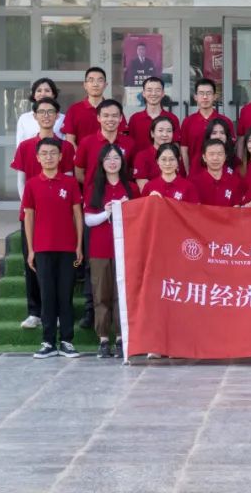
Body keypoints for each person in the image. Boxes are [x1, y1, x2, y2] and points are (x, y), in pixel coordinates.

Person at [11, 98, 75, 331]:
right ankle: (34, 312)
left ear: (57, 117)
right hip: (31, 212)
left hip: (58, 214)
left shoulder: (65, 147)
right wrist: (29, 206)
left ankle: (57, 313)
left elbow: (69, 179)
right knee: (32, 263)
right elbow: (21, 181)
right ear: (35, 116)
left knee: (59, 267)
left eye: (51, 112)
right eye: (41, 112)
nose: (46, 116)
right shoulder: (25, 146)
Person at [21, 138, 83, 359]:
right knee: (47, 296)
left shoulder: (70, 183)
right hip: (42, 249)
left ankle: (67, 341)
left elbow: (78, 215)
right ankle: (48, 342)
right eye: (44, 153)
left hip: (67, 249)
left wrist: (79, 245)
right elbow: (29, 217)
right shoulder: (32, 184)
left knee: (65, 295)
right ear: (38, 158)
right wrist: (31, 249)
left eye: (53, 153)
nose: (49, 157)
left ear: (61, 156)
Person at [83, 145, 138, 359]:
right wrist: (106, 213)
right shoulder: (94, 188)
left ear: (122, 162)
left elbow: (139, 216)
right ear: (101, 163)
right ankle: (103, 338)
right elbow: (89, 220)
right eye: (108, 158)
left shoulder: (131, 187)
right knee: (101, 294)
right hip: (100, 249)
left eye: (116, 158)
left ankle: (121, 338)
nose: (113, 162)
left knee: (121, 294)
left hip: (125, 249)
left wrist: (126, 208)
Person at [74, 100, 134, 187]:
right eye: (106, 116)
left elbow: (131, 171)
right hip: (93, 194)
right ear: (98, 118)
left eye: (114, 116)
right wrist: (93, 187)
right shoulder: (86, 142)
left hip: (121, 193)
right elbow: (79, 173)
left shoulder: (129, 143)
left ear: (121, 118)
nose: (110, 119)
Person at [180, 78, 232, 173]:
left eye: (208, 93)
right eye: (201, 93)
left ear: (215, 96)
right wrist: (188, 172)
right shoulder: (187, 122)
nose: (205, 97)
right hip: (194, 173)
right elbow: (184, 150)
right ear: (195, 97)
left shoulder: (225, 121)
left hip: (220, 174)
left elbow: (230, 149)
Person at [131, 115, 183, 191]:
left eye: (169, 131)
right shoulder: (142, 156)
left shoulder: (176, 155)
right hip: (153, 197)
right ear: (152, 133)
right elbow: (144, 188)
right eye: (160, 130)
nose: (165, 134)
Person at [127, 77, 179, 151]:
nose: (153, 94)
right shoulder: (135, 119)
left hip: (164, 158)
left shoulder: (172, 118)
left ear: (163, 93)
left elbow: (176, 144)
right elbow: (130, 144)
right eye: (149, 90)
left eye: (157, 90)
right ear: (143, 93)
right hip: (140, 158)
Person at [189, 139, 245, 207]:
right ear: (204, 157)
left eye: (220, 154)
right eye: (211, 154)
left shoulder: (235, 182)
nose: (215, 158)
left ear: (225, 157)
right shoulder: (194, 183)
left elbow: (238, 208)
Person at [63, 66, 109, 148]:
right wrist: (80, 155)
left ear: (105, 85)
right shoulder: (74, 110)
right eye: (91, 80)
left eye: (100, 80)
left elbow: (121, 137)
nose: (95, 84)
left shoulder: (113, 109)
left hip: (109, 156)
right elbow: (70, 140)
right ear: (85, 85)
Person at [15, 77, 64, 146]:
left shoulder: (63, 118)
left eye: (47, 90)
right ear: (34, 95)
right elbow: (20, 144)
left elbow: (66, 143)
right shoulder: (24, 118)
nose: (43, 94)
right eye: (39, 91)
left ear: (53, 94)